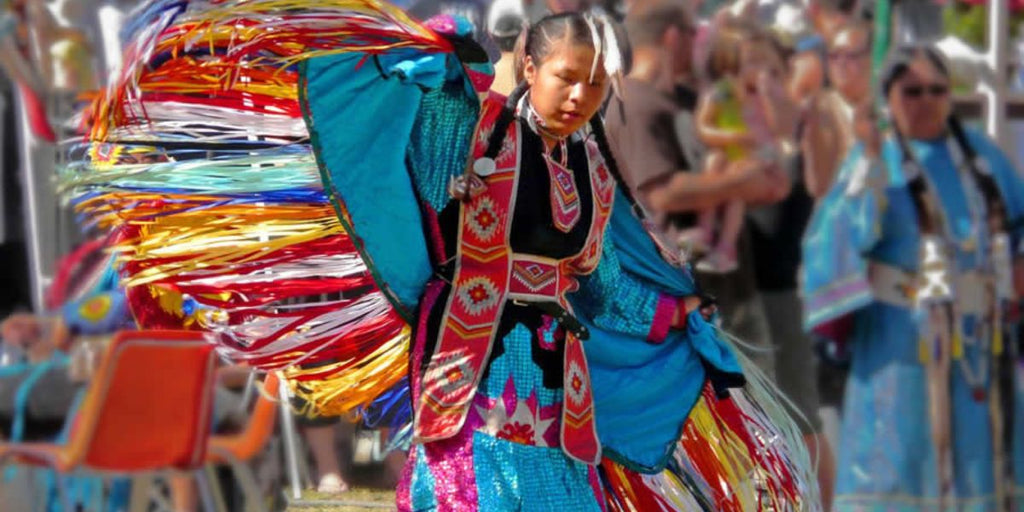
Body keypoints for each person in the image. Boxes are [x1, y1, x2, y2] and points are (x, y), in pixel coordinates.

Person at [66, 4, 817, 510]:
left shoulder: (584, 172)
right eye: (566, 78)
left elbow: (606, 283)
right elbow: (421, 156)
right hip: (478, 368)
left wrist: (676, 312)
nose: (580, 96)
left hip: (561, 382)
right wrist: (437, 69)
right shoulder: (472, 134)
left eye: (594, 85)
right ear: (530, 67)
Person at [803, 43, 1024, 511]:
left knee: (982, 474)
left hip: (981, 349)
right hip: (900, 347)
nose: (926, 100)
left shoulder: (981, 158)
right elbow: (832, 245)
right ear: (889, 97)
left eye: (936, 90)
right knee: (900, 467)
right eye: (912, 91)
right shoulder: (873, 161)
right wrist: (866, 160)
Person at [689, 21, 797, 273]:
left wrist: (769, 96)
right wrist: (730, 137)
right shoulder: (722, 93)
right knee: (713, 162)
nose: (758, 71)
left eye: (764, 64)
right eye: (751, 62)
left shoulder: (768, 96)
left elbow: (781, 131)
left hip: (762, 158)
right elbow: (703, 127)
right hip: (732, 154)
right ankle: (705, 229)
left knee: (737, 184)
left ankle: (726, 248)